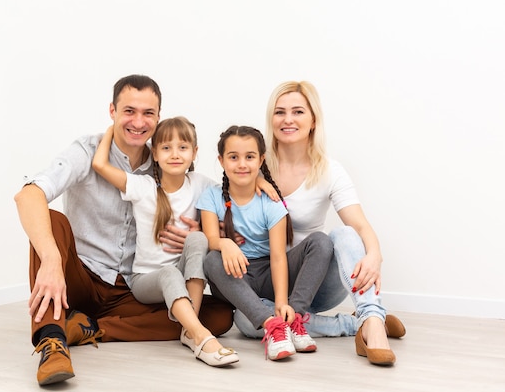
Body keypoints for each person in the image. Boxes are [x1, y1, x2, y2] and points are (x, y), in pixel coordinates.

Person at [13, 75, 234, 385]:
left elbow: (231, 195)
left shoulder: (166, 160)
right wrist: (51, 261)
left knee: (220, 316)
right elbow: (28, 194)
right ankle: (52, 341)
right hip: (81, 277)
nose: (138, 121)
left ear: (158, 117)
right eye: (129, 111)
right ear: (112, 111)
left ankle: (90, 326)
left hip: (130, 288)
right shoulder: (87, 151)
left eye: (148, 113)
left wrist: (205, 229)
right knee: (51, 219)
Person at [234, 80, 405, 366]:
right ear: (271, 119)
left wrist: (374, 254)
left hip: (316, 278)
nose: (288, 119)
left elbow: (361, 227)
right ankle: (352, 325)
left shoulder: (330, 171)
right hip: (271, 283)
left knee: (344, 234)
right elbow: (223, 208)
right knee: (245, 320)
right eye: (280, 112)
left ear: (313, 120)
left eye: (298, 112)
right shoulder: (252, 165)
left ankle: (372, 319)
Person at [91, 116, 239, 367]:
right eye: (166, 148)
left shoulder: (200, 184)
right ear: (155, 154)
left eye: (183, 147)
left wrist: (262, 182)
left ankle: (187, 331)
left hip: (182, 273)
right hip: (146, 279)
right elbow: (99, 164)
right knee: (169, 272)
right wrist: (111, 129)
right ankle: (201, 336)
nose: (175, 154)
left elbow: (237, 186)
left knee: (197, 237)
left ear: (194, 153)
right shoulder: (143, 187)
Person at [198, 125, 335, 361]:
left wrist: (282, 302)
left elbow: (279, 255)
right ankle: (271, 324)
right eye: (233, 157)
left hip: (268, 273)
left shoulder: (271, 203)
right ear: (221, 161)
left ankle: (294, 318)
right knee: (212, 259)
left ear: (261, 160)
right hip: (236, 276)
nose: (242, 164)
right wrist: (225, 244)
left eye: (249, 157)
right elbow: (211, 239)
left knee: (321, 242)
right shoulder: (211, 197)